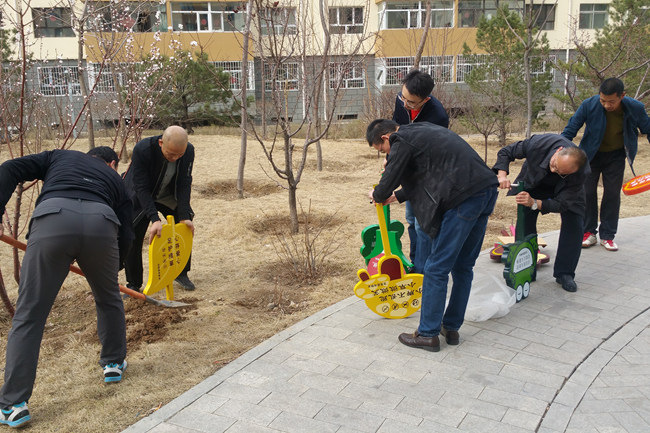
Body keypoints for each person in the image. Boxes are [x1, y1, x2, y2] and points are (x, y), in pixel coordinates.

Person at [0, 147, 133, 428]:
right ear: (110, 163)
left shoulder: (58, 156)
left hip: (54, 220)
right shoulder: (115, 178)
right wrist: (114, 265)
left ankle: (14, 404)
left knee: (29, 315)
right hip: (102, 225)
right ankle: (113, 364)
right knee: (109, 298)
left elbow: (10, 168)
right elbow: (128, 230)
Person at [367, 119, 497, 352]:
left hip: (463, 198)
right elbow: (428, 174)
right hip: (484, 190)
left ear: (386, 137)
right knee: (463, 267)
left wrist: (377, 194)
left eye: (382, 149)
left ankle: (428, 334)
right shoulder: (421, 130)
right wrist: (397, 196)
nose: (386, 154)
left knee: (436, 268)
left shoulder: (400, 139)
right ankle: (451, 327)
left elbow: (387, 182)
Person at [562, 78, 650, 252]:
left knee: (612, 194)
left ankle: (608, 235)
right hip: (590, 156)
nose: (606, 105)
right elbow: (570, 129)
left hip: (616, 156)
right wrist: (559, 148)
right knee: (587, 192)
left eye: (611, 102)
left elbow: (648, 129)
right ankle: (588, 232)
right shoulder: (589, 105)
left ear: (622, 96)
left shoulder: (635, 108)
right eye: (603, 100)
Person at [493, 134, 589, 293]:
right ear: (558, 151)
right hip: (534, 183)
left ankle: (565, 273)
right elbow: (506, 152)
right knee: (525, 224)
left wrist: (535, 203)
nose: (553, 170)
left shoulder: (581, 172)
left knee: (575, 225)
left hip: (566, 191)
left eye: (560, 172)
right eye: (554, 165)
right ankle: (525, 268)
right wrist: (502, 175)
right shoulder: (538, 144)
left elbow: (562, 204)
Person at [123, 125, 196, 292]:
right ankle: (133, 283)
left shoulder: (189, 151)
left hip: (167, 194)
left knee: (184, 227)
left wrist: (184, 214)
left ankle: (181, 272)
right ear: (161, 143)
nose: (175, 158)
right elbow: (140, 186)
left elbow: (185, 183)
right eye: (171, 154)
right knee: (133, 233)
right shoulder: (143, 149)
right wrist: (154, 218)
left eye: (179, 154)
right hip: (141, 194)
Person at [392, 69, 449, 273]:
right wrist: (392, 160)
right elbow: (396, 132)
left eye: (411, 102)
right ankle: (416, 263)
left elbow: (432, 157)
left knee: (421, 224)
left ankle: (424, 270)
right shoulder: (401, 100)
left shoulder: (438, 117)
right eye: (403, 98)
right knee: (410, 220)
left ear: (425, 99)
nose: (405, 104)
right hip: (409, 170)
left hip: (428, 173)